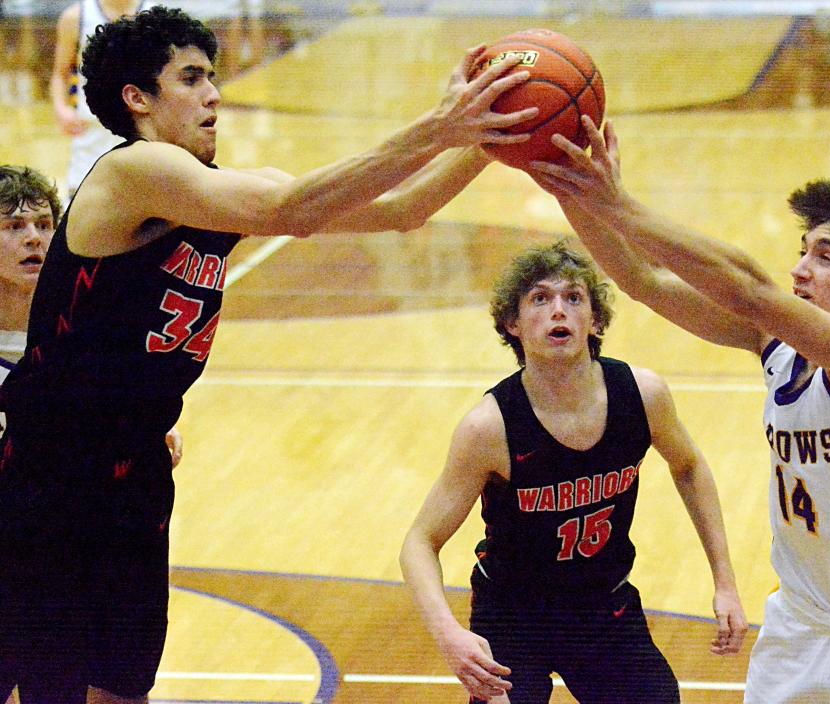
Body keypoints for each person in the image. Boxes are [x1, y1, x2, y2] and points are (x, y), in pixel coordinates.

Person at [0, 5, 539, 704]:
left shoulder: (210, 192)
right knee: (47, 690)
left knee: (122, 687)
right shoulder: (131, 174)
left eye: (212, 77)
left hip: (135, 473)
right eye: (190, 78)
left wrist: (496, 135)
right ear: (138, 99)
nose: (214, 93)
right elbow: (291, 207)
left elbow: (404, 209)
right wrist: (440, 125)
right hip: (49, 478)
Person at [530, 117, 830, 702]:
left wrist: (619, 202)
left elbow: (749, 289)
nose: (800, 269)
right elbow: (642, 280)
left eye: (826, 257)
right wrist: (570, 189)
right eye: (803, 251)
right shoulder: (781, 351)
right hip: (794, 631)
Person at [400, 240, 747, 704]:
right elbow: (419, 542)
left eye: (573, 298)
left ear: (596, 320)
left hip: (603, 604)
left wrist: (724, 582)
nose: (557, 311)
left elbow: (688, 467)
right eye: (540, 299)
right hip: (513, 616)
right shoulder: (489, 427)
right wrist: (449, 636)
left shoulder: (642, 396)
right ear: (514, 324)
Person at [0, 164, 183, 704]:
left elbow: (142, 384)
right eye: (13, 227)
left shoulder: (87, 313)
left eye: (43, 224)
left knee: (109, 680)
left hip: (73, 527)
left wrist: (153, 426)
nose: (33, 238)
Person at [50, 0, 157, 198]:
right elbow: (60, 73)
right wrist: (61, 109)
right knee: (80, 206)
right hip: (90, 132)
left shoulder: (156, 14)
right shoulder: (75, 16)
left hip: (143, 132)